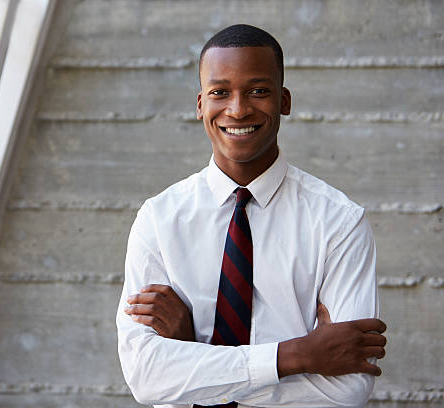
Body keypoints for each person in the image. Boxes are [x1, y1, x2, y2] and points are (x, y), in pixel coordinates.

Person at [116, 24, 387, 407]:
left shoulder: (339, 223)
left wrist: (193, 355)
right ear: (200, 105)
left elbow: (346, 390)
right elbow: (146, 377)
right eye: (219, 92)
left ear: (284, 101)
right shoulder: (159, 220)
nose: (239, 108)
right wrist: (297, 355)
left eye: (259, 91)